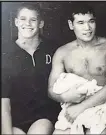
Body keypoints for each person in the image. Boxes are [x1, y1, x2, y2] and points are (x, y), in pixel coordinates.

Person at [48, 3, 106, 134]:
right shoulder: (62, 52)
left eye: (91, 21)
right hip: (71, 107)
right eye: (80, 22)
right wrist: (65, 96)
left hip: (101, 106)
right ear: (71, 25)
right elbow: (50, 90)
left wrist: (81, 107)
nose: (87, 28)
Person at [1, 3, 60, 134]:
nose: (27, 23)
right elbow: (3, 99)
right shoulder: (5, 53)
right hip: (15, 118)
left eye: (33, 20)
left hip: (43, 116)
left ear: (41, 24)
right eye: (23, 19)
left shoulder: (52, 49)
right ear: (16, 22)